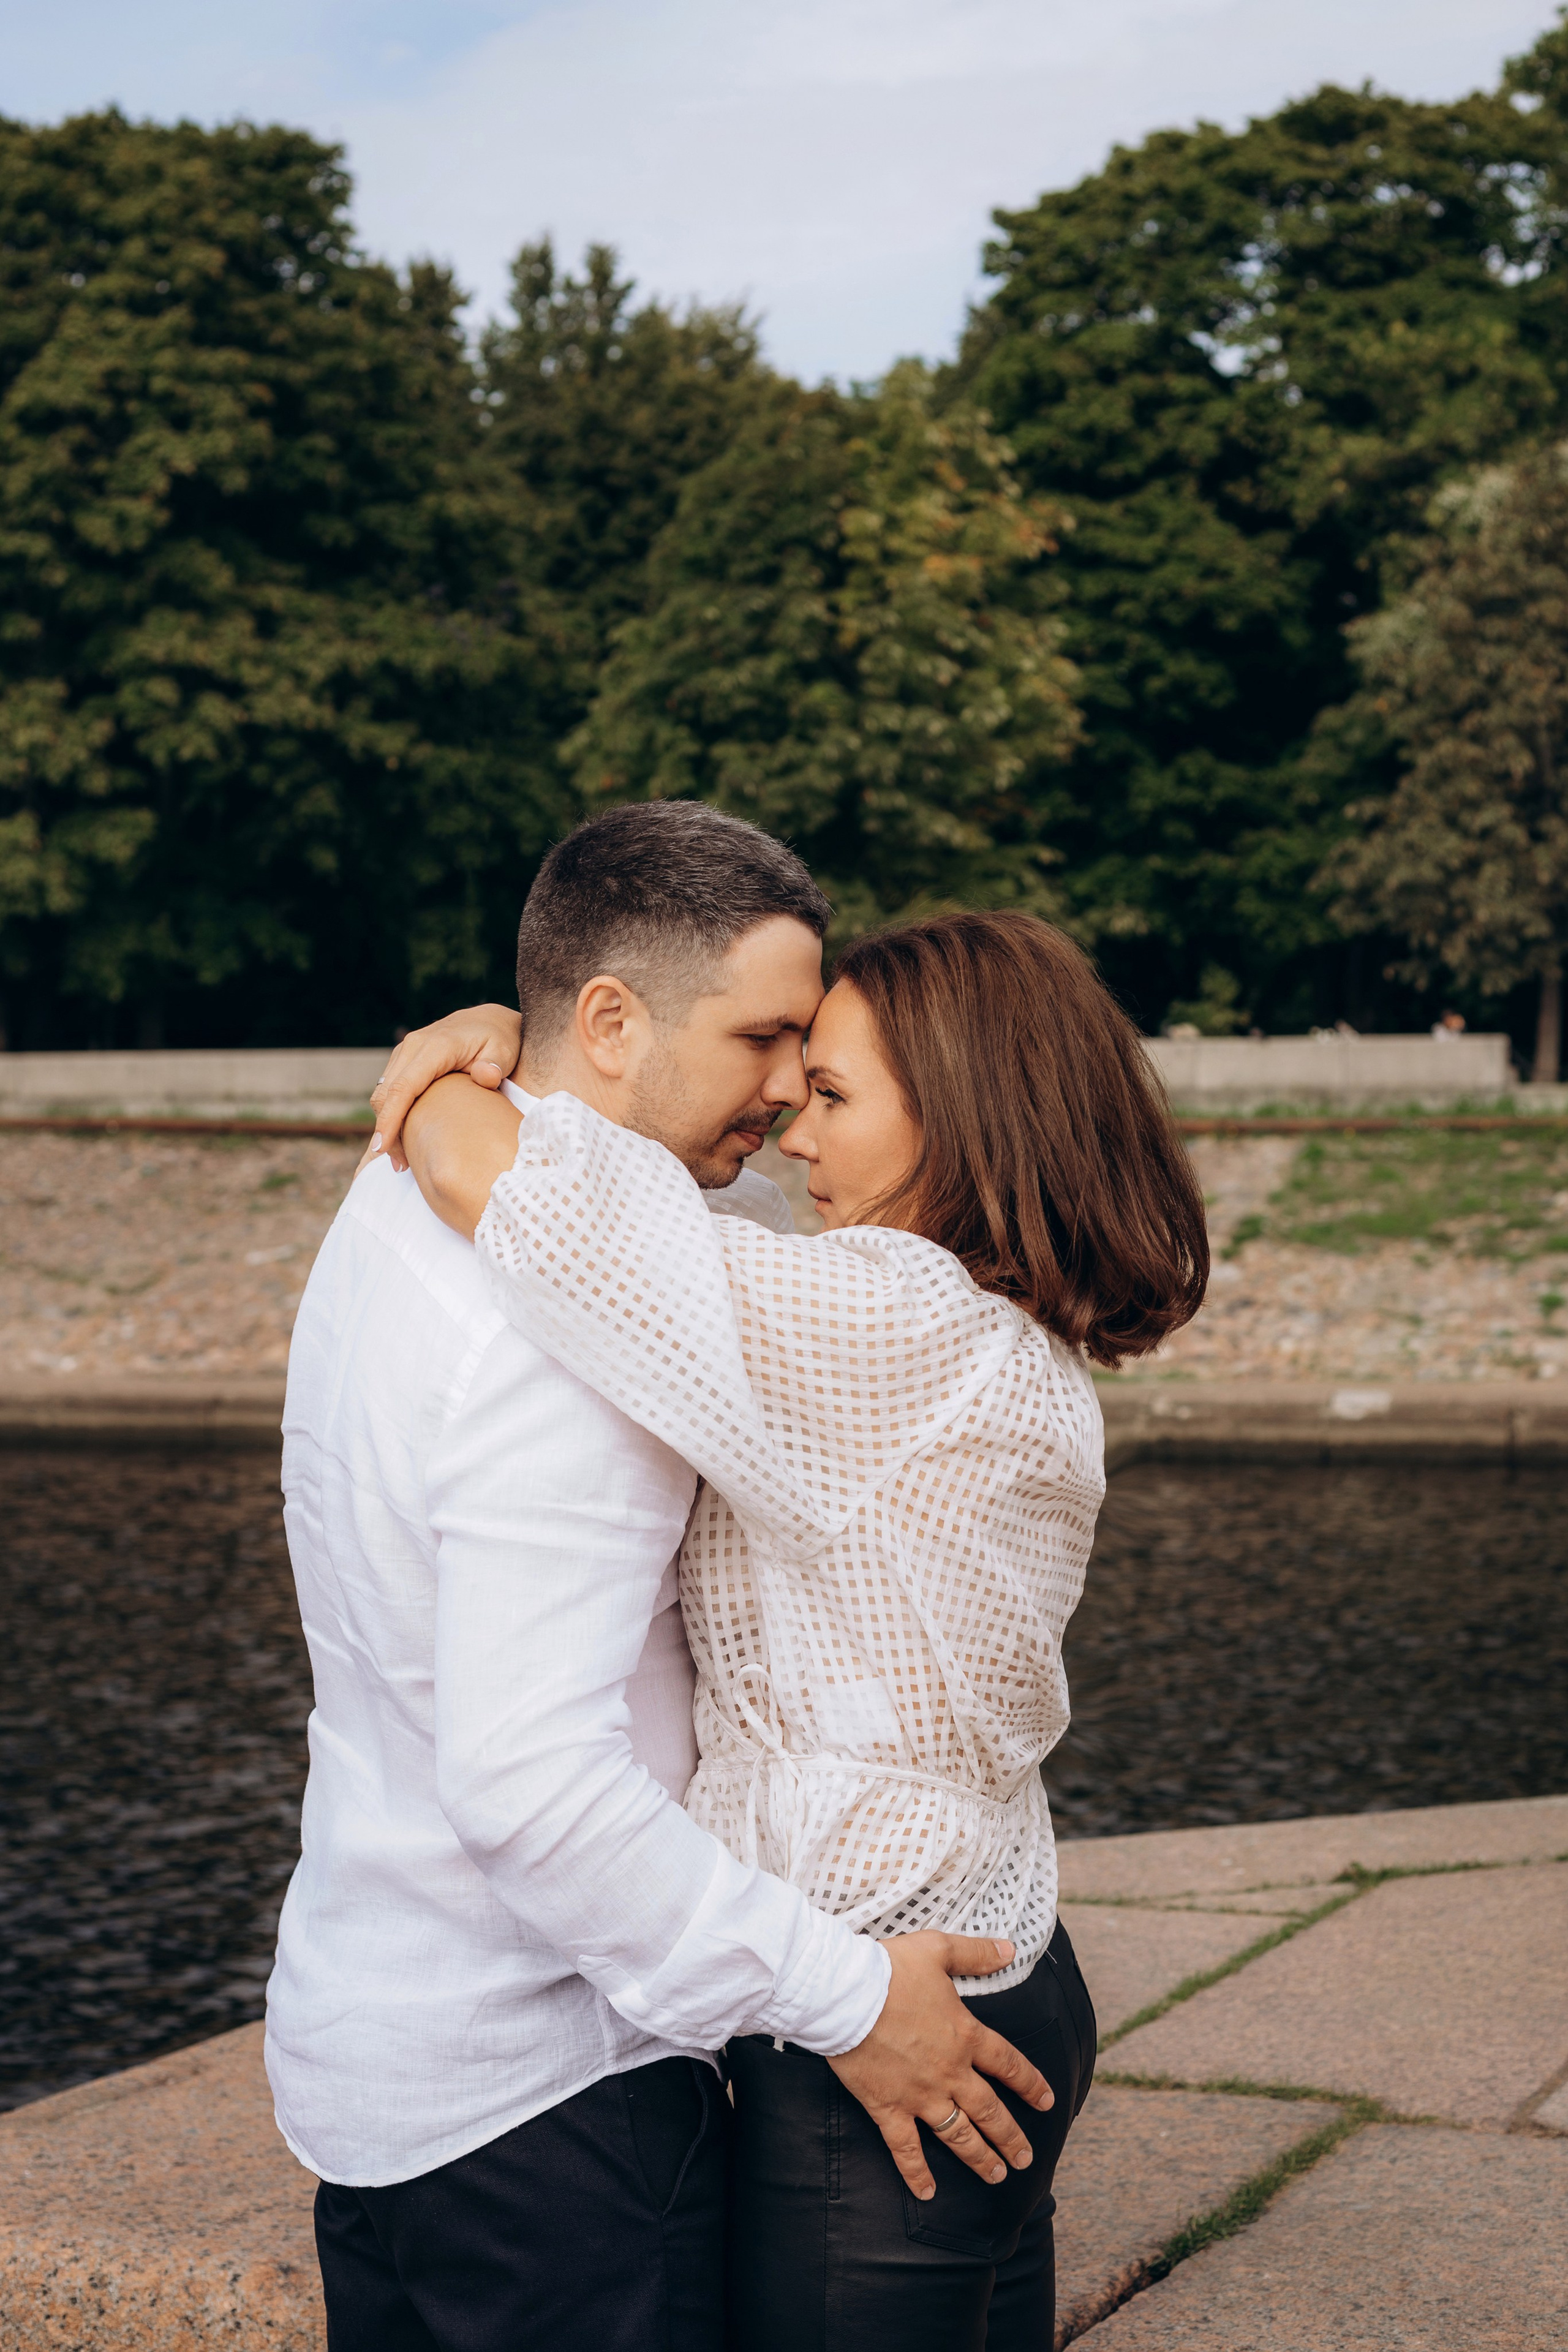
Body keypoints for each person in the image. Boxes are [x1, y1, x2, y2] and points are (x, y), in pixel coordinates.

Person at [266, 805, 1054, 2352]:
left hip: (371, 2048)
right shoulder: (581, 1323)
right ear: (613, 1021)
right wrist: (846, 1999)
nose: (784, 1090)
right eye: (767, 1038)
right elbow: (531, 1787)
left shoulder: (401, 1200)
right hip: (553, 2106)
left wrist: (470, 1062)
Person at [383, 903, 1208, 2350]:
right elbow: (710, 1217)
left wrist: (456, 1078)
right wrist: (530, 1037)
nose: (790, 1133)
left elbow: (534, 1206)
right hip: (1008, 1964)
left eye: (829, 1094)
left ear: (961, 1111)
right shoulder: (988, 1325)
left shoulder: (890, 1324)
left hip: (882, 2013)